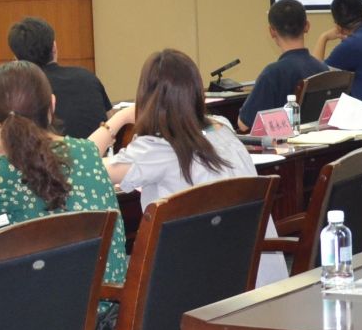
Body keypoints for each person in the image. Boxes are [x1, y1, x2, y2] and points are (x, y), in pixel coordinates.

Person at [0, 60, 124, 316]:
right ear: (52, 105)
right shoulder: (88, 151)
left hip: (51, 320)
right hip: (110, 308)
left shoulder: (8, 170)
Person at [102, 50, 267, 213]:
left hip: (198, 230)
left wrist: (121, 117)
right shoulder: (222, 126)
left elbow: (89, 171)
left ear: (147, 96)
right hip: (248, 230)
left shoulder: (157, 148)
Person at [7, 15, 112, 140]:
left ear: (16, 59)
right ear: (54, 47)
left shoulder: (21, 92)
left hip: (46, 153)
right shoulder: (87, 77)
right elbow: (110, 122)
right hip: (99, 150)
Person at [239, 0, 329, 131]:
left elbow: (244, 124)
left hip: (285, 142)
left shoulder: (272, 74)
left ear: (272, 31)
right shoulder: (323, 69)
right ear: (307, 26)